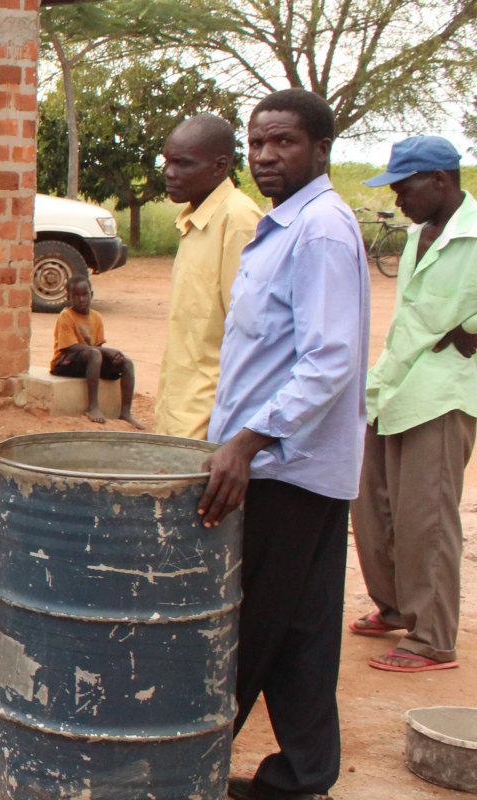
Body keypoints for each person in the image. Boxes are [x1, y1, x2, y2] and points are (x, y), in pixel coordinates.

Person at [198, 89, 369, 800]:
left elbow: (330, 358)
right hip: (290, 464)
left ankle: (184, 762)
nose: (266, 156)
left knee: (249, 626)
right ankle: (301, 778)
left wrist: (246, 443)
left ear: (320, 150)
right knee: (302, 628)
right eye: (258, 143)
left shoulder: (319, 230)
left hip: (284, 469)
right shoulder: (289, 224)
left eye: (284, 142)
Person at [351, 135, 477, 674]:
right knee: (370, 503)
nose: (398, 201)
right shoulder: (418, 235)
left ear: (440, 181)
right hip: (394, 382)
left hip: (444, 392)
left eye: (405, 189)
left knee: (426, 516)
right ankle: (395, 606)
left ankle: (432, 637)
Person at [154, 115, 265, 439]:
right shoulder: (194, 219)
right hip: (179, 408)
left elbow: (249, 333)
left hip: (209, 418)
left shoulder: (238, 220)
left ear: (220, 166)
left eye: (183, 163)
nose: (169, 173)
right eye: (167, 162)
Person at [48, 276, 143, 427]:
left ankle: (126, 412)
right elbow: (70, 347)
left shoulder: (96, 317)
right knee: (95, 353)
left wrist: (113, 360)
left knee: (127, 363)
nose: (81, 299)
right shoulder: (66, 316)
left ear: (91, 295)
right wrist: (105, 351)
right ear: (68, 297)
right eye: (76, 296)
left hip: (89, 361)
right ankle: (92, 407)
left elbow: (98, 347)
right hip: (65, 363)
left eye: (85, 294)